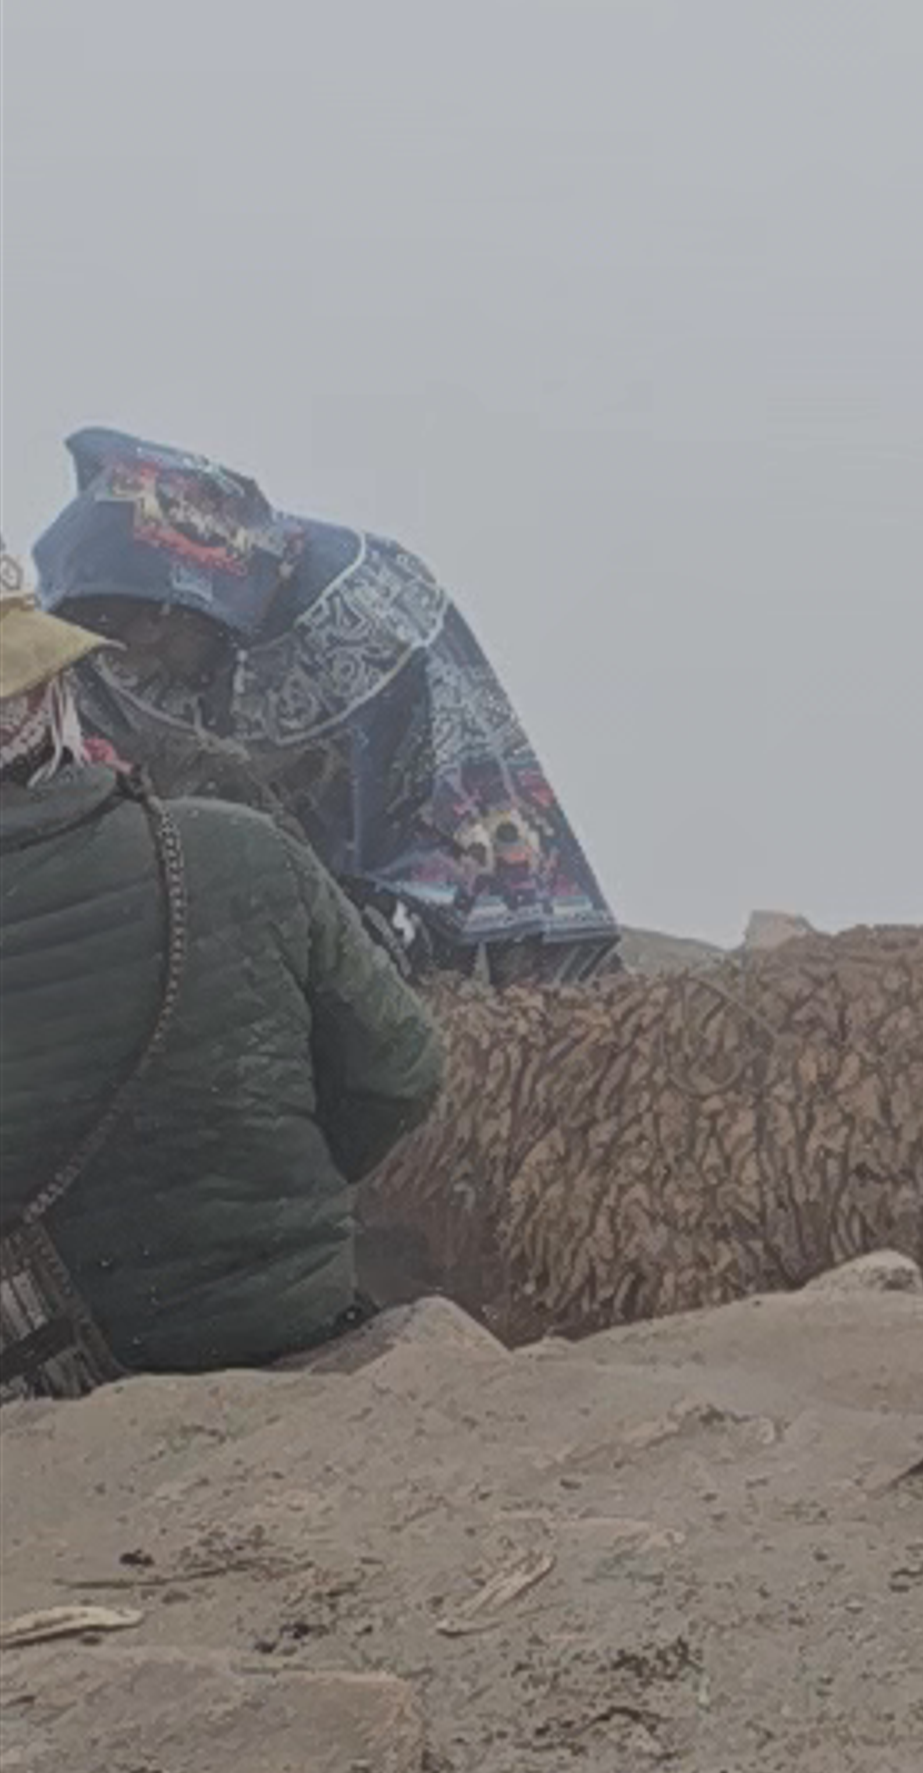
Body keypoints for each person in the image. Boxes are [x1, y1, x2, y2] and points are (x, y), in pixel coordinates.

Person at [0, 537, 447, 1384]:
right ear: (56, 700)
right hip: (292, 1319)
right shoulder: (235, 846)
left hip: (55, 1371)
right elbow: (403, 1071)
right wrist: (275, 1203)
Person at [34, 429, 619, 979]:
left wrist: (385, 925)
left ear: (171, 608)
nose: (122, 660)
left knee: (514, 1040)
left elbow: (456, 800)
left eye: (127, 632)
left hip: (421, 858)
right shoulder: (106, 660)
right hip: (262, 890)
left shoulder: (369, 616)